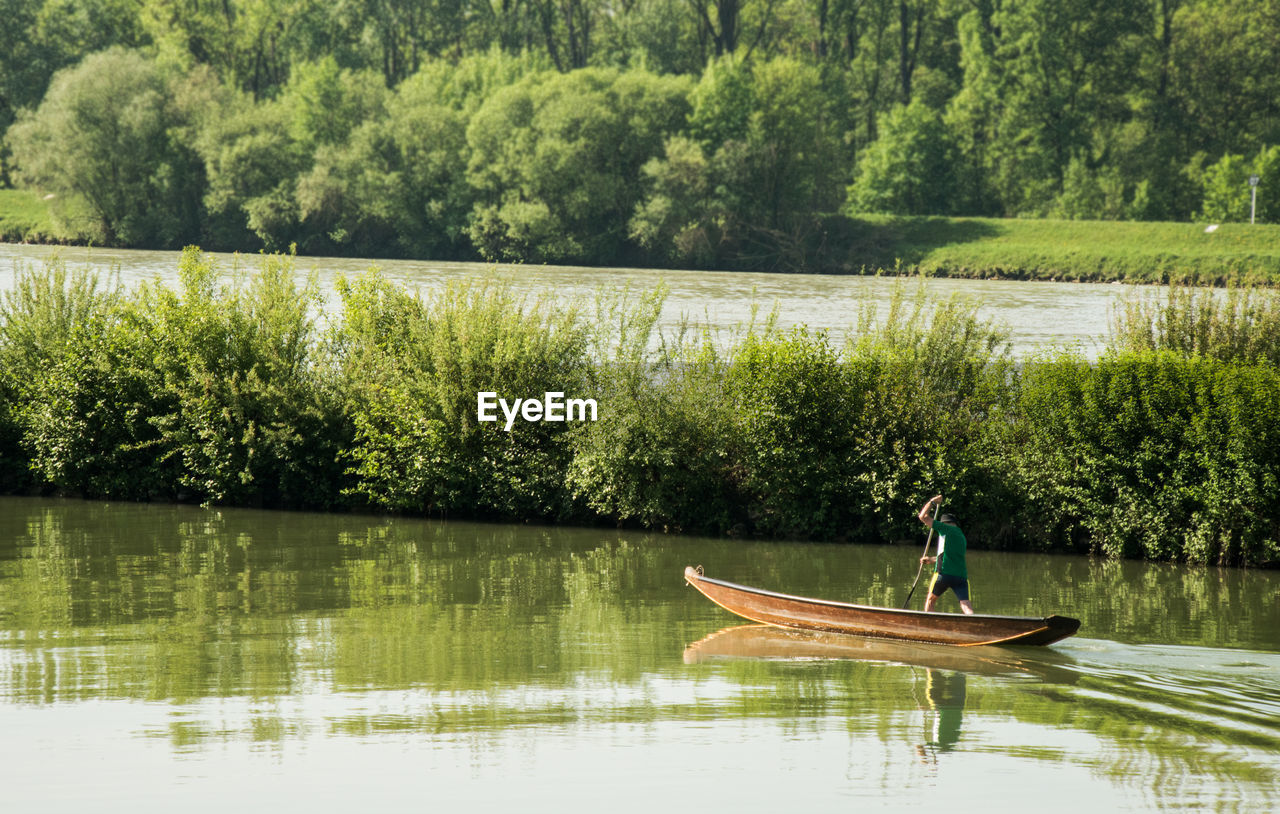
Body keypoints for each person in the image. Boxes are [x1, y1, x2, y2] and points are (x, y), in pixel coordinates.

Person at [917, 494, 974, 614]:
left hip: (943, 575)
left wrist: (932, 502)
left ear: (945, 523)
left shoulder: (945, 528)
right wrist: (931, 560)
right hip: (961, 577)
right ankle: (976, 627)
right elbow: (950, 555)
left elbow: (922, 516)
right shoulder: (961, 535)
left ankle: (929, 627)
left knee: (930, 601)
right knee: (966, 607)